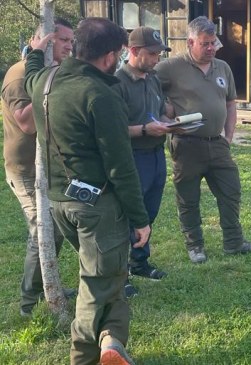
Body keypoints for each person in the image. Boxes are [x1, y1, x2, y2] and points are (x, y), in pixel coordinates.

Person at [25, 17, 150, 365]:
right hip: (98, 206)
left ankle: (112, 344)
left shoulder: (44, 82)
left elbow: (32, 69)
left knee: (110, 273)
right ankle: (83, 358)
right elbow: (120, 166)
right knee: (96, 284)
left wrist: (34, 51)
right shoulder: (102, 94)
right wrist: (140, 219)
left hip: (60, 201)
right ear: (110, 56)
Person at [155, 16, 251, 264]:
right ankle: (195, 246)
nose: (212, 48)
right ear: (190, 42)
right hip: (187, 145)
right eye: (206, 44)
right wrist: (163, 112)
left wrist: (229, 137)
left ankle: (234, 243)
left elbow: (230, 103)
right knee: (188, 197)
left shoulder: (222, 67)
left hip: (218, 144)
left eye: (214, 43)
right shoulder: (170, 67)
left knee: (231, 192)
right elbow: (145, 87)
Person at [2, 18, 75, 318]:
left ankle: (50, 283)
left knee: (56, 228)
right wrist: (45, 81)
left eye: (72, 40)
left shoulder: (53, 71)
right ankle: (28, 304)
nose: (70, 46)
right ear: (42, 41)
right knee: (42, 231)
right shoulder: (19, 75)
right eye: (63, 40)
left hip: (50, 165)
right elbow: (26, 122)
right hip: (25, 168)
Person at [113, 26, 171, 298]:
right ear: (133, 51)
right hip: (132, 157)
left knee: (149, 212)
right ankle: (119, 273)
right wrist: (146, 129)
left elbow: (159, 112)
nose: (157, 58)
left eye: (160, 53)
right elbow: (112, 128)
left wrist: (172, 123)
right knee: (127, 216)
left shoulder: (153, 78)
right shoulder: (116, 83)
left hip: (157, 154)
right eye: (152, 53)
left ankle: (140, 263)